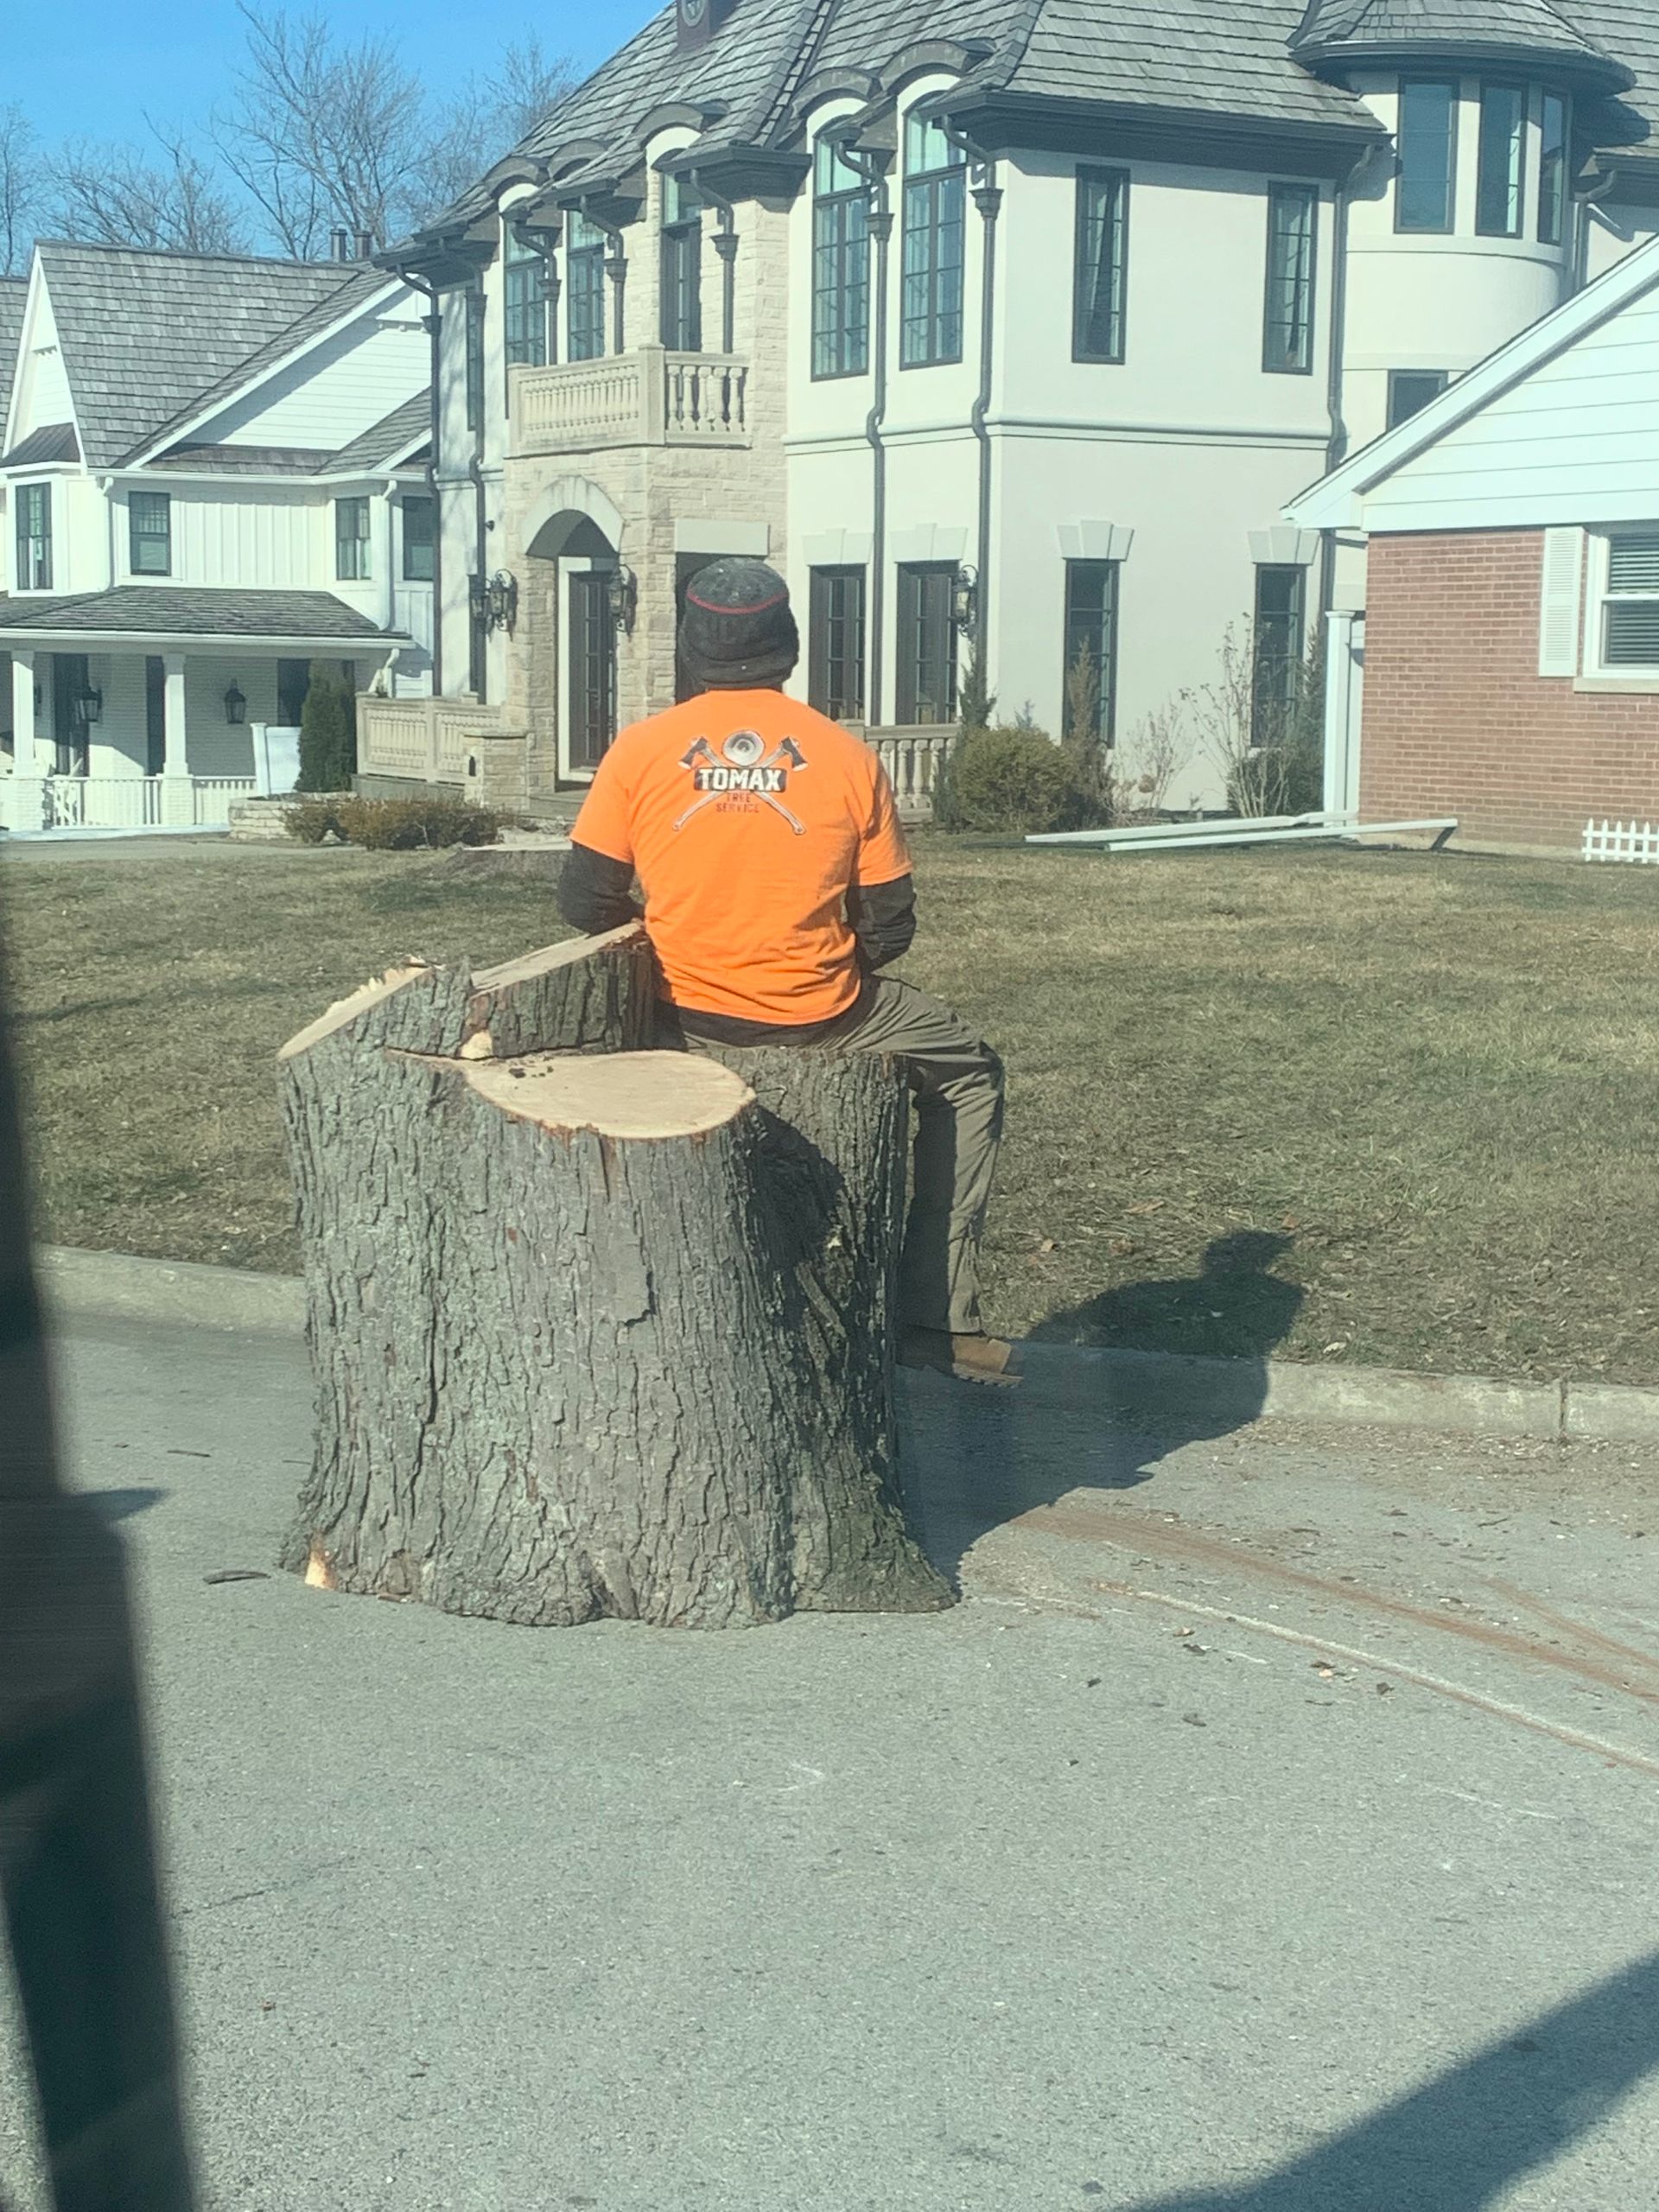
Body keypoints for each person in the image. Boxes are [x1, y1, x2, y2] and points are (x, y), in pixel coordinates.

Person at [558, 556, 1018, 1386]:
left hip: (683, 1011)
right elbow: (890, 923)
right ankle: (939, 1321)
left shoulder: (638, 752)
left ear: (692, 652)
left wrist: (675, 942)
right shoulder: (845, 757)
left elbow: (584, 901)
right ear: (791, 648)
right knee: (971, 1073)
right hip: (823, 1010)